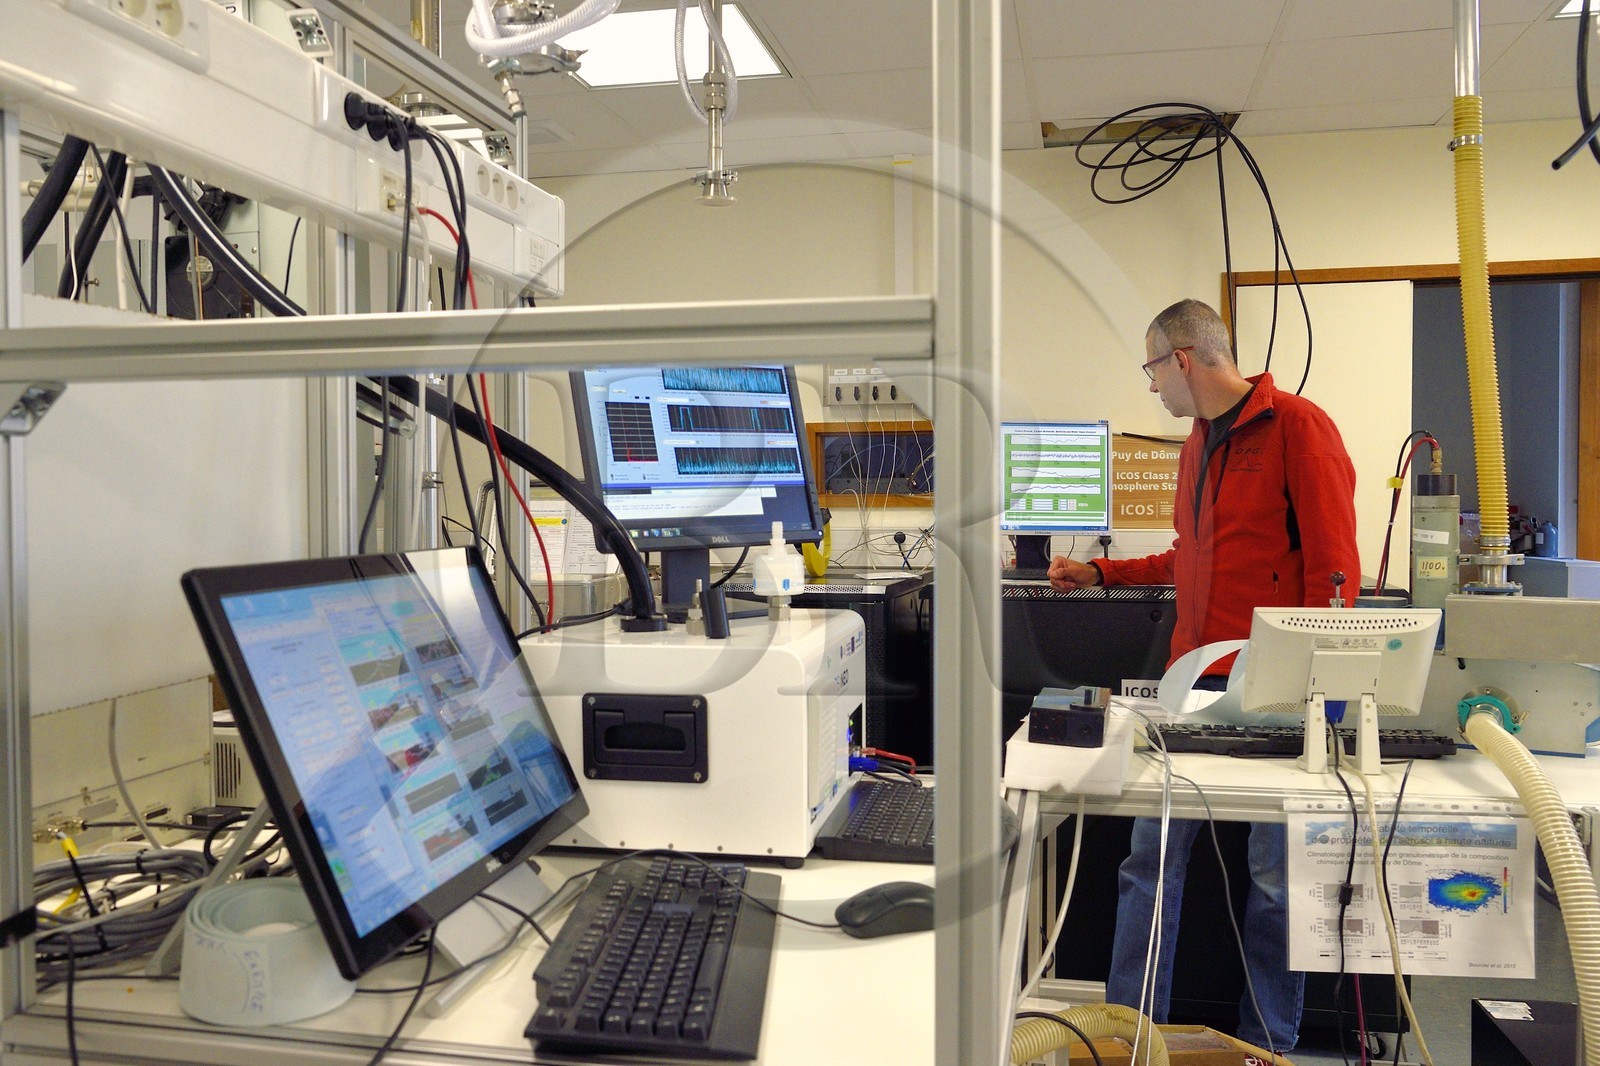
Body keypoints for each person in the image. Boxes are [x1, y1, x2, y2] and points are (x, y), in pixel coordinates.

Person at [1048, 298, 1360, 1053]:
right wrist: (1102, 572)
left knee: (1277, 884)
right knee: (1147, 863)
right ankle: (1127, 1039)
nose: (1152, 386)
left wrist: (1331, 693)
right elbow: (1189, 556)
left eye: (1154, 369)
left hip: (1277, 696)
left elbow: (1336, 569)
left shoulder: (1299, 427)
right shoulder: (1196, 442)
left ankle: (1269, 1044)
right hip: (1189, 691)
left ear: (1182, 359)